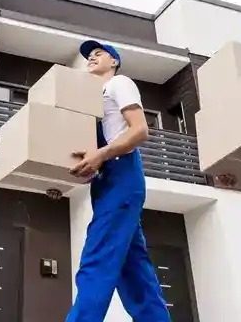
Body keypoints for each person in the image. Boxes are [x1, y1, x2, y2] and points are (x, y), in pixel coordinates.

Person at [65, 40, 171, 322]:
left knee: (97, 258)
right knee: (134, 273)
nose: (91, 57)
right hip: (105, 180)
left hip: (123, 172)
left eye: (99, 53)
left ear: (114, 61)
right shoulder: (90, 96)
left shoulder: (119, 83)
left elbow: (140, 130)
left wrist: (102, 154)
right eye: (88, 55)